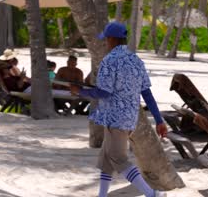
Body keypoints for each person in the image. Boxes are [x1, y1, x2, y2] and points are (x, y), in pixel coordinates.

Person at [70, 21, 168, 197]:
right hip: (130, 119)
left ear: (112, 39)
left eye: (106, 39)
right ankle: (102, 195)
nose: (105, 42)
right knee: (106, 159)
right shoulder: (136, 60)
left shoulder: (109, 61)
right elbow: (146, 93)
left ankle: (152, 194)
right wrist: (159, 120)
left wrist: (80, 91)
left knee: (119, 159)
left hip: (114, 119)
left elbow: (103, 93)